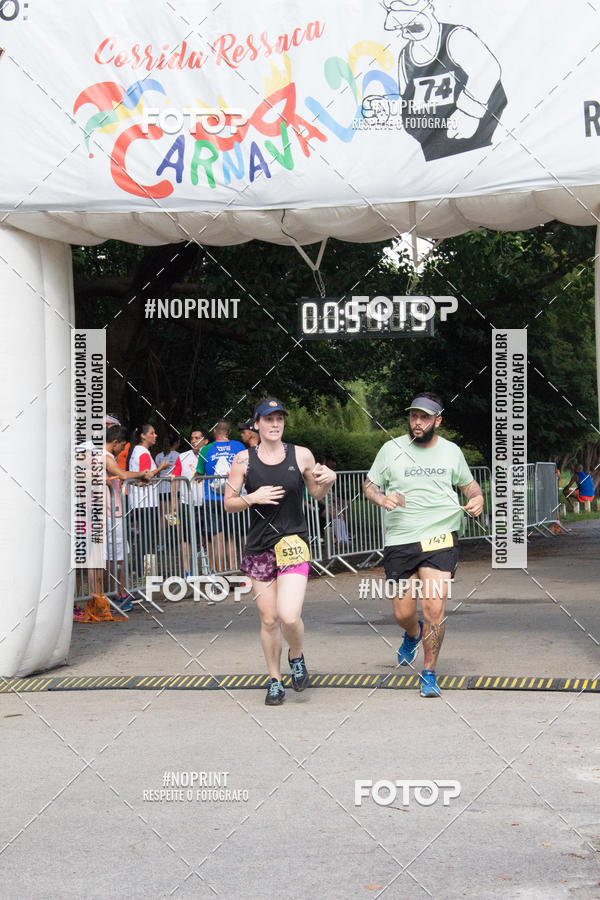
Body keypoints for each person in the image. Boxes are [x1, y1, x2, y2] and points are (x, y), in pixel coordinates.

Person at [363, 392, 483, 698]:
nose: (418, 422)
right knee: (403, 612)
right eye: (414, 416)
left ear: (437, 421)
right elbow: (369, 485)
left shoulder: (451, 452)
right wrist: (381, 497)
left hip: (440, 537)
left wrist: (477, 499)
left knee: (433, 606)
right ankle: (411, 632)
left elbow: (470, 486)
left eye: (425, 417)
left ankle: (428, 672)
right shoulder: (391, 449)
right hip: (401, 538)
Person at [225, 398, 336, 706]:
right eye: (268, 419)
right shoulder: (242, 461)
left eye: (280, 419)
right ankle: (275, 680)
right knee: (269, 619)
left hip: (293, 544)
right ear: (256, 424)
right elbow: (229, 504)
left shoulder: (301, 455)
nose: (275, 424)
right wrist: (253, 497)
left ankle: (296, 656)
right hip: (259, 548)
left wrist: (329, 480)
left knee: (289, 615)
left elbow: (316, 492)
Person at [196, 420, 245, 571]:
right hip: (233, 498)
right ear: (229, 432)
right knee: (231, 538)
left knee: (217, 540)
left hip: (211, 499)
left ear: (214, 432)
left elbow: (199, 475)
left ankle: (220, 577)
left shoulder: (206, 450)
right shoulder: (239, 447)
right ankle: (234, 575)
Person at [125, 424, 170, 576]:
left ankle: (139, 569)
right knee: (146, 536)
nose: (156, 435)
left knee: (145, 536)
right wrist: (161, 467)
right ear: (143, 436)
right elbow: (146, 475)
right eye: (152, 432)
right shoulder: (142, 452)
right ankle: (138, 569)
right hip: (145, 502)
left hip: (142, 501)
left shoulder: (139, 451)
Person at [172, 427, 209, 575]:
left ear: (205, 441)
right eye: (192, 438)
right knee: (186, 538)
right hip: (188, 504)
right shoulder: (183, 456)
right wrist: (174, 500)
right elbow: (175, 478)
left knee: (210, 537)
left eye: (197, 438)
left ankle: (211, 569)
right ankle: (188, 571)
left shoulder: (210, 455)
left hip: (207, 503)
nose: (193, 441)